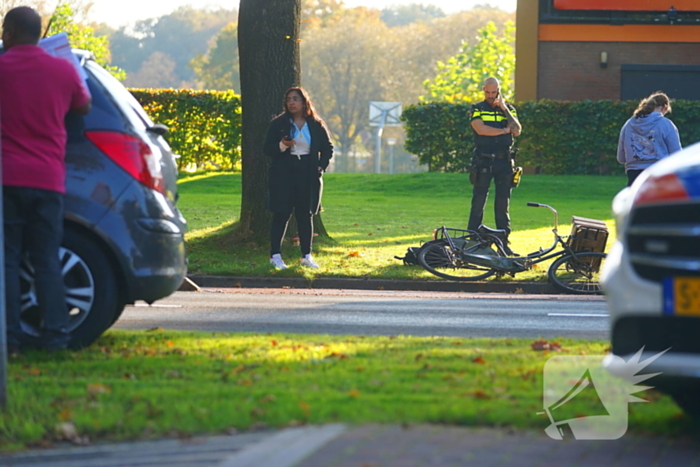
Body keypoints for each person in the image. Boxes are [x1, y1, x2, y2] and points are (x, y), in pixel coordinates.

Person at [0, 6, 91, 352]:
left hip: (7, 177)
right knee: (46, 258)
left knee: (7, 258)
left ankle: (8, 339)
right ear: (38, 35)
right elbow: (83, 106)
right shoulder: (61, 70)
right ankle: (56, 336)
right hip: (48, 179)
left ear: (8, 33)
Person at [264, 87, 333, 269]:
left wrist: (321, 165)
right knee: (281, 214)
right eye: (289, 99)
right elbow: (267, 149)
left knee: (305, 215)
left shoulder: (316, 124)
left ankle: (306, 255)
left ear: (304, 102)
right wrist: (282, 145)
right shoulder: (278, 123)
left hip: (308, 173)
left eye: (296, 99)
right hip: (283, 173)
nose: (292, 102)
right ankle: (276, 255)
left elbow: (328, 148)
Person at [467, 77, 522, 256]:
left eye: (494, 92)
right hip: (483, 160)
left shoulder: (509, 110)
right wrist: (504, 130)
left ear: (499, 90)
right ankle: (473, 240)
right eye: (488, 92)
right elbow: (481, 129)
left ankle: (503, 243)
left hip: (504, 162)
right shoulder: (477, 108)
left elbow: (517, 130)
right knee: (478, 202)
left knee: (502, 204)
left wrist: (504, 108)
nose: (491, 96)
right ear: (483, 90)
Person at [617, 91, 681, 187]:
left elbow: (621, 158)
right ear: (664, 108)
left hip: (634, 176)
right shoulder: (666, 124)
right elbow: (677, 155)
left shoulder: (628, 125)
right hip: (659, 174)